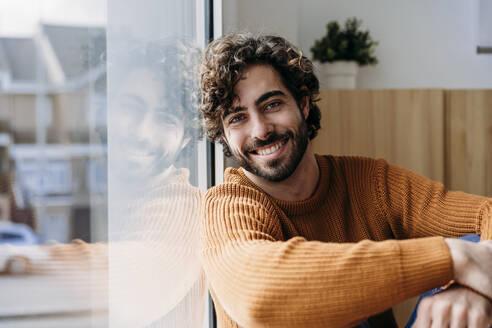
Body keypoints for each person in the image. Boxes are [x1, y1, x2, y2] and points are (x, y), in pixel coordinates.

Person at [199, 33, 492, 328]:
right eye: (237, 118)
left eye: (272, 104)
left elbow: (486, 214)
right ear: (224, 135)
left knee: (477, 247)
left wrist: (469, 289)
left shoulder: (369, 183)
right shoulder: (225, 207)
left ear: (303, 104)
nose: (260, 130)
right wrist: (453, 258)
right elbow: (259, 296)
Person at [0, 39, 206, 328]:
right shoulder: (116, 195)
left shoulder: (185, 209)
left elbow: (135, 282)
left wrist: (13, 260)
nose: (142, 132)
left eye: (165, 119)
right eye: (131, 108)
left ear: (186, 138)